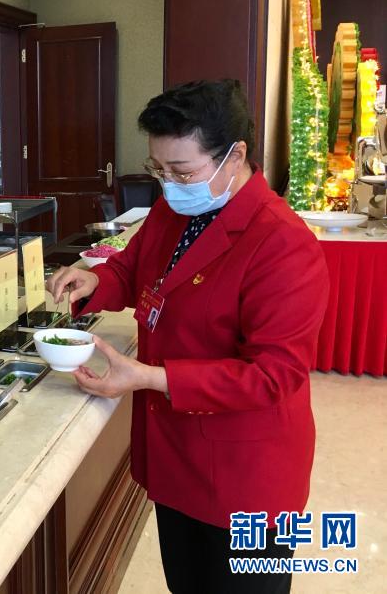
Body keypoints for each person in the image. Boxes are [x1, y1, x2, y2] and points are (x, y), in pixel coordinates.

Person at [47, 80, 328, 593]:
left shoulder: (282, 243)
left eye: (182, 171)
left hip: (245, 477)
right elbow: (134, 270)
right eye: (159, 170)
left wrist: (150, 377)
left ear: (235, 155)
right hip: (176, 458)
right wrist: (95, 281)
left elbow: (274, 375)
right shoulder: (175, 210)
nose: (169, 184)